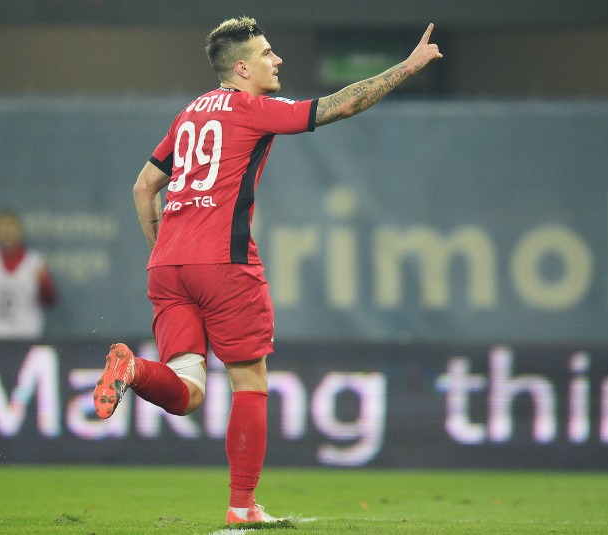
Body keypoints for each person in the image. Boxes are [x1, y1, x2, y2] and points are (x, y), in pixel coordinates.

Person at [93, 16, 441, 525]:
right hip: (224, 263)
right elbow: (341, 104)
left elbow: (144, 187)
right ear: (241, 68)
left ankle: (134, 370)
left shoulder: (188, 115)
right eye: (266, 53)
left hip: (166, 267)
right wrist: (406, 68)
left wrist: (163, 247)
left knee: (187, 393)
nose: (277, 60)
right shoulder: (252, 109)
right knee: (249, 381)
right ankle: (242, 507)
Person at [0, 208, 57, 339]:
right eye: (2, 227)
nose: (7, 232)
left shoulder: (34, 261)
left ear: (19, 231)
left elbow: (50, 299)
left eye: (11, 227)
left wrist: (43, 283)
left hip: (26, 336)